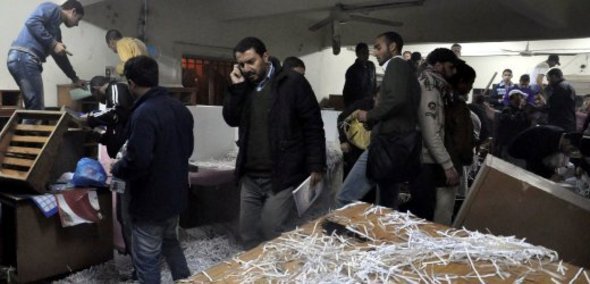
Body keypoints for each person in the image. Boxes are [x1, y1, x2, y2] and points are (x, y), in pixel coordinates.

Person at [223, 37, 326, 249]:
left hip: (281, 174)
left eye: (251, 61)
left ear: (266, 57)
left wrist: (316, 164)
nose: (246, 68)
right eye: (241, 64)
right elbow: (231, 118)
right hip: (250, 175)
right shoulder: (244, 87)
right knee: (247, 232)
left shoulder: (292, 82)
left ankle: (278, 274)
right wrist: (237, 89)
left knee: (271, 229)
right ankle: (255, 275)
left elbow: (313, 125)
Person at [112, 56, 193, 282]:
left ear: (131, 83)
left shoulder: (144, 112)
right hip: (175, 195)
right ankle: (185, 279)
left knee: (147, 258)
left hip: (150, 200)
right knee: (170, 242)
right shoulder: (180, 109)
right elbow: (187, 150)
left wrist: (118, 167)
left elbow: (138, 161)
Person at [336, 31, 420, 209]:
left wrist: (369, 115)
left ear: (392, 47)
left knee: (344, 198)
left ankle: (344, 235)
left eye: (378, 47)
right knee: (386, 207)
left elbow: (396, 100)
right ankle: (382, 237)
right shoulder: (405, 69)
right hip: (396, 144)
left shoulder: (396, 65)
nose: (375, 52)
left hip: (386, 144)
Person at [409, 48, 462, 224]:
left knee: (426, 213)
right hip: (423, 159)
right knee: (423, 216)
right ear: (438, 65)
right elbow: (430, 129)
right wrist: (447, 164)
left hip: (428, 158)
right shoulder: (428, 86)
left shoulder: (437, 86)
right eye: (450, 66)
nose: (453, 71)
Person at [7, 0, 86, 111]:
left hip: (22, 59)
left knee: (33, 108)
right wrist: (53, 44)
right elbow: (32, 22)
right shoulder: (52, 8)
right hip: (24, 57)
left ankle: (24, 128)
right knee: (36, 109)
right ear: (73, 11)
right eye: (78, 19)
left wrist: (74, 78)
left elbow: (60, 57)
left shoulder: (56, 32)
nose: (77, 24)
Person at [508, 125, 582, 179]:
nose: (571, 153)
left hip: (528, 155)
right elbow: (533, 163)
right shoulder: (547, 140)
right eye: (572, 150)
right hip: (517, 156)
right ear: (568, 141)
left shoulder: (561, 136)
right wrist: (551, 175)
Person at [86, 76, 134, 158]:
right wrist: (103, 137)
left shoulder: (114, 88)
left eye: (95, 96)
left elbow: (116, 112)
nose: (97, 100)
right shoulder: (110, 97)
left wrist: (90, 118)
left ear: (96, 88)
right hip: (121, 154)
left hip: (128, 149)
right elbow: (115, 121)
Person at [342, 42, 377, 108]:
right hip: (358, 105)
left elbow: (374, 84)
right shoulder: (352, 70)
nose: (366, 54)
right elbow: (348, 92)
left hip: (370, 104)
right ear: (357, 54)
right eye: (363, 52)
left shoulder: (371, 65)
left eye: (367, 52)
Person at [545, 68, 577, 132]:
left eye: (548, 79)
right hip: (569, 122)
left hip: (560, 124)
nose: (548, 83)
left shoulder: (560, 88)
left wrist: (539, 107)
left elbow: (554, 107)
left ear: (553, 77)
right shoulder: (568, 86)